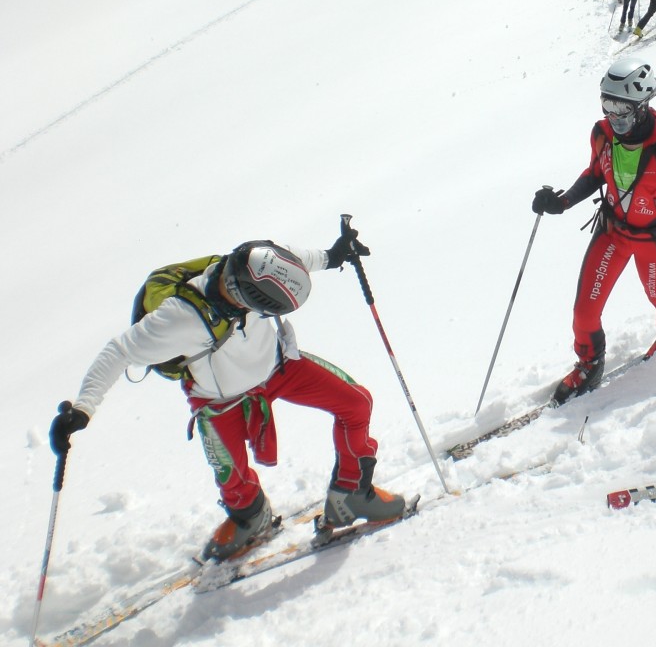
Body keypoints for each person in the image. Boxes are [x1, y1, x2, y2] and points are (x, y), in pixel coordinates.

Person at [48, 232, 406, 562]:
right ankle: (251, 515)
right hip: (221, 400)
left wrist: (332, 255)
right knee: (230, 474)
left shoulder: (254, 262)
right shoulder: (179, 319)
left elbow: (291, 260)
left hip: (279, 368)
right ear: (243, 295)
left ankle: (351, 493)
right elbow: (119, 351)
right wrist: (83, 408)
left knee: (355, 403)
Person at [531, 59, 656, 405]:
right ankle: (590, 363)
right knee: (584, 311)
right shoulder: (602, 134)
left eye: (622, 107)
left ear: (643, 104)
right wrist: (563, 202)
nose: (614, 115)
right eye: (607, 104)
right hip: (612, 231)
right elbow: (594, 174)